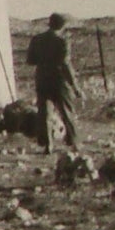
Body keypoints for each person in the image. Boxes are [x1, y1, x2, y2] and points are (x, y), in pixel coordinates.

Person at [25, 13, 82, 153]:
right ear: (62, 26)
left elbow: (30, 60)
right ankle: (74, 143)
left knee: (44, 113)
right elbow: (65, 64)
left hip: (42, 78)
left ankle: (47, 144)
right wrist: (75, 85)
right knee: (67, 112)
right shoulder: (62, 41)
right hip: (59, 80)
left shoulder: (36, 39)